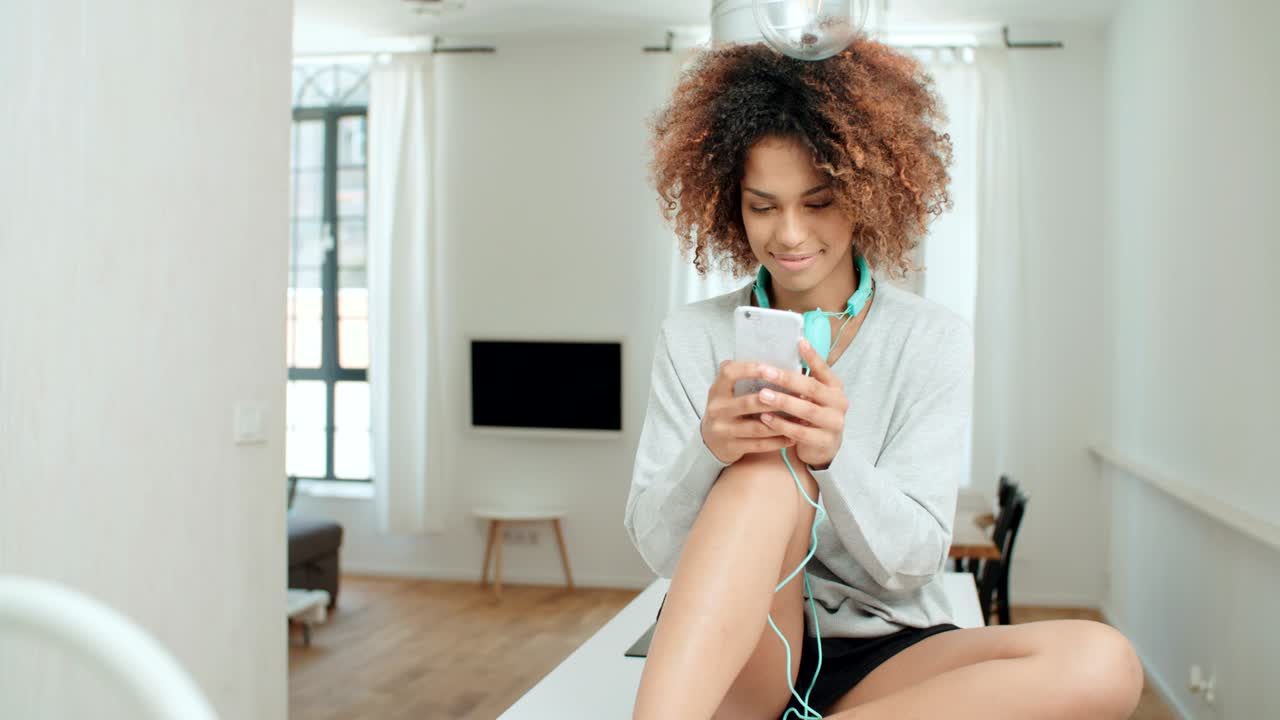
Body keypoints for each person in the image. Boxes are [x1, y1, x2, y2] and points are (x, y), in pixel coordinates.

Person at [624, 38, 1143, 720]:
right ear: (729, 203)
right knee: (765, 472)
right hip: (745, 647)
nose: (788, 233)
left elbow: (916, 562)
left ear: (867, 196)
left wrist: (835, 458)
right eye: (762, 205)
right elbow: (660, 552)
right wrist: (709, 452)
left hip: (887, 654)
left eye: (819, 202)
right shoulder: (691, 338)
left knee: (1106, 662)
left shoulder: (931, 340)